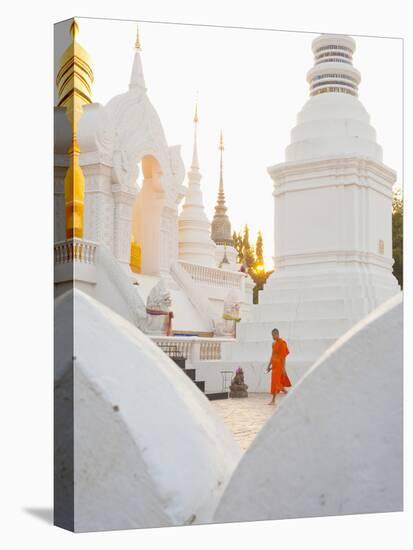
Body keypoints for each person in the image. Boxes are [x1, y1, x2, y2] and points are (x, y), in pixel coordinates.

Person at [266, 328, 291, 406]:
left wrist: (283, 368)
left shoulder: (282, 343)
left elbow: (283, 357)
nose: (272, 337)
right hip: (274, 366)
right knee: (275, 383)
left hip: (279, 366)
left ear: (277, 334)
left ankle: (276, 399)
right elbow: (272, 355)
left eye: (273, 335)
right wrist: (269, 366)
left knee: (277, 383)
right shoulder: (273, 344)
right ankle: (285, 395)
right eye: (272, 335)